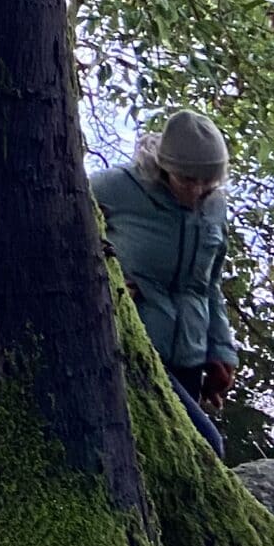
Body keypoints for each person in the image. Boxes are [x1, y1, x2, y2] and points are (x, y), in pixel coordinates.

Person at [91, 109, 237, 457]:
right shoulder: (117, 188)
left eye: (208, 182)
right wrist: (105, 281)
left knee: (177, 457)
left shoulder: (215, 208)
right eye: (187, 180)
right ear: (164, 167)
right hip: (136, 348)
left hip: (190, 356)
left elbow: (209, 287)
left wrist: (221, 352)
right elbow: (63, 227)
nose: (197, 190)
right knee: (206, 448)